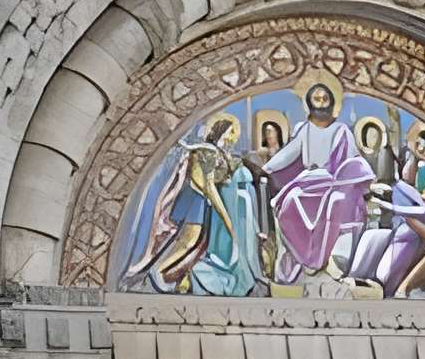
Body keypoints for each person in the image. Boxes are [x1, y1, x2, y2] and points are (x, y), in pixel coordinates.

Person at [123, 112, 265, 296]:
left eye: (233, 134)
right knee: (188, 241)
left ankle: (162, 275)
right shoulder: (206, 151)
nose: (232, 138)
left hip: (202, 203)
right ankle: (156, 273)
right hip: (195, 200)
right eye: (229, 133)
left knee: (193, 244)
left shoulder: (219, 154)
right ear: (219, 131)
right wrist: (227, 219)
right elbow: (209, 187)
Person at [253, 74, 375, 282]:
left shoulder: (342, 130)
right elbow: (289, 153)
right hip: (307, 181)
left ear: (331, 102)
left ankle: (328, 259)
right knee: (289, 201)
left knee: (337, 203)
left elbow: (353, 159)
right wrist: (266, 168)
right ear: (309, 103)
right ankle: (304, 258)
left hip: (333, 182)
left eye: (324, 99)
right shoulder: (304, 129)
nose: (320, 103)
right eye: (316, 99)